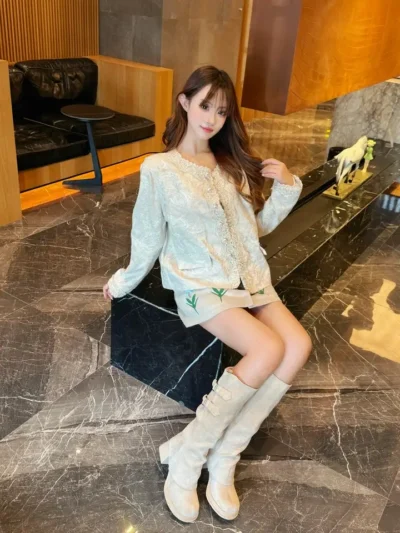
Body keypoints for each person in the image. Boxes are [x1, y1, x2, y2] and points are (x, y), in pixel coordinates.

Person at [103, 66, 312, 524]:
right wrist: (122, 282)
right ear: (184, 102)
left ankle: (223, 458)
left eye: (221, 111)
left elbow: (255, 230)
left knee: (298, 346)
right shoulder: (160, 169)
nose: (212, 119)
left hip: (250, 279)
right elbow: (147, 236)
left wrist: (285, 188)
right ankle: (188, 461)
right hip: (202, 285)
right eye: (204, 106)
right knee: (268, 348)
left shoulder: (230, 164)